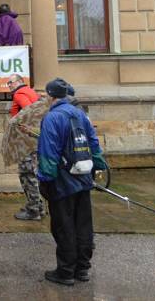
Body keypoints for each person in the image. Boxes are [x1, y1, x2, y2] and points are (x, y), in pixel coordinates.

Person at [38, 79, 107, 286]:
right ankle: (82, 268)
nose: (44, 97)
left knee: (63, 225)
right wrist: (98, 165)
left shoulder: (52, 118)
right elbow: (93, 142)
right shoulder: (79, 113)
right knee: (83, 223)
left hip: (63, 180)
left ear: (52, 96)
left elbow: (48, 153)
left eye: (46, 94)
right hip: (83, 176)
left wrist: (45, 179)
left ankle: (66, 271)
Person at [7, 74, 45, 221]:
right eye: (7, 83)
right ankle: (38, 206)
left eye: (11, 82)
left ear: (19, 82)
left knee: (27, 174)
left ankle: (34, 210)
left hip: (26, 142)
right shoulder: (30, 92)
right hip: (33, 139)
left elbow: (29, 111)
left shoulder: (19, 94)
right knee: (32, 173)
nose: (9, 85)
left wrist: (21, 126)